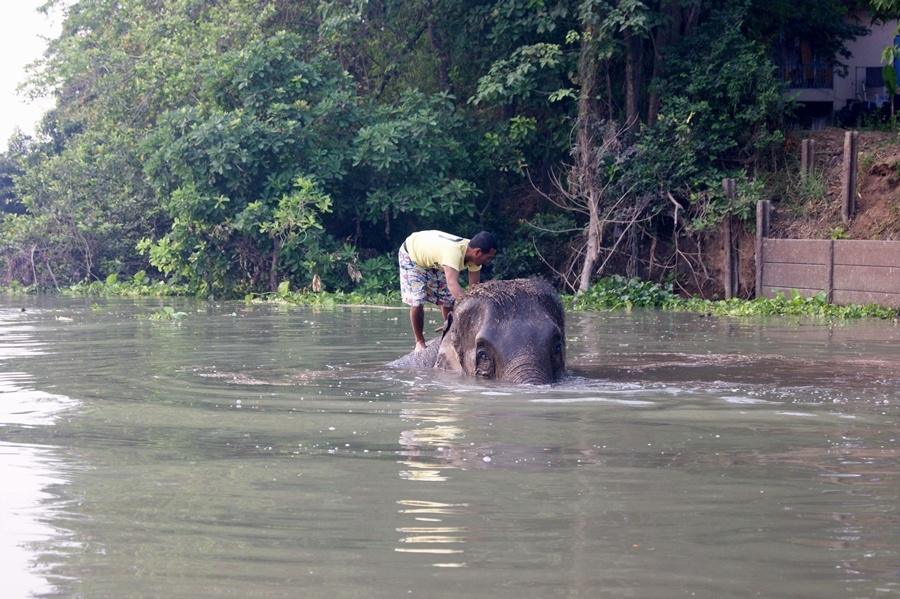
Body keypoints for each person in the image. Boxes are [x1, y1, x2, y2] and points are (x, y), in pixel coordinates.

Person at [398, 230, 498, 351]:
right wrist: (467, 312)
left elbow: (474, 288)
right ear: (477, 252)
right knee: (417, 300)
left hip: (436, 260)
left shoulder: (474, 257)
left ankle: (451, 330)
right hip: (413, 255)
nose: (488, 261)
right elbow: (452, 284)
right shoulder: (453, 253)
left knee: (447, 299)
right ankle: (419, 341)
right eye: (488, 258)